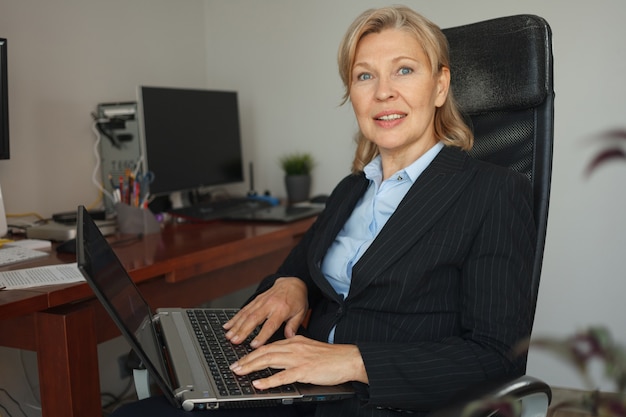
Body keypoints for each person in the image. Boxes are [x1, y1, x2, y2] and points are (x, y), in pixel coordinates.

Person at [113, 5, 535, 417]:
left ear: (440, 86)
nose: (383, 91)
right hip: (295, 387)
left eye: (404, 70)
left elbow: (497, 357)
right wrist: (292, 283)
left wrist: (354, 362)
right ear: (351, 94)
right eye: (364, 75)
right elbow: (299, 267)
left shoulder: (493, 192)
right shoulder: (351, 189)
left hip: (379, 401)